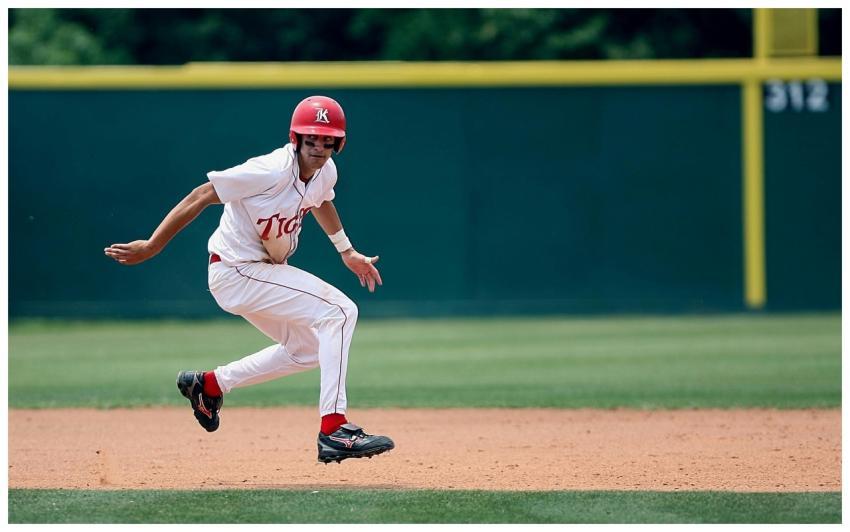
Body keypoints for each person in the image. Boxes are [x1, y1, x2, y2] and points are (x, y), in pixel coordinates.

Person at [104, 95, 394, 464]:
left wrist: (346, 251)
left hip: (259, 271)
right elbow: (203, 194)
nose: (318, 146)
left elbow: (321, 199)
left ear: (339, 143)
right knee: (340, 312)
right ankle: (333, 429)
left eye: (327, 139)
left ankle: (209, 385)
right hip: (236, 270)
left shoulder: (326, 172)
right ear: (296, 139)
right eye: (311, 138)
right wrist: (152, 245)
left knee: (307, 350)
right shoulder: (270, 170)